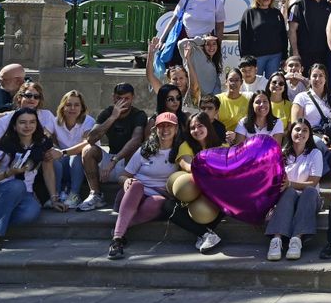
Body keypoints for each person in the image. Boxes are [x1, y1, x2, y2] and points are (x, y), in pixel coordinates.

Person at [108, 112, 219, 258]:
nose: (165, 129)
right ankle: (117, 239)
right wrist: (126, 181)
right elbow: (123, 175)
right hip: (132, 194)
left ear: (176, 129)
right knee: (136, 186)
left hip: (156, 198)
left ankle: (121, 226)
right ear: (155, 129)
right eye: (161, 126)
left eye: (169, 126)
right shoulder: (144, 150)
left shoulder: (180, 150)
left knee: (159, 202)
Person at [0, 108, 65, 251]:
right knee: (17, 185)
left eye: (32, 122)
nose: (27, 126)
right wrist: (8, 173)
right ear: (14, 126)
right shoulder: (5, 144)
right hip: (0, 192)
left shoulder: (42, 143)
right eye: (22, 122)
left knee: (30, 213)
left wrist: (54, 198)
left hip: (26, 194)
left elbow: (48, 171)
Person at [78, 83, 147, 211]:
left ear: (133, 98)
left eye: (126, 98)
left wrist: (114, 161)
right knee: (88, 150)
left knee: (136, 150)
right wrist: (113, 117)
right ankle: (95, 194)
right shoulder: (107, 113)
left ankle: (128, 194)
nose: (123, 102)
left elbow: (136, 140)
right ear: (113, 97)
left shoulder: (139, 115)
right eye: (119, 98)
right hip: (109, 161)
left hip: (127, 163)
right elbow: (91, 139)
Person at [265, 119, 323, 261]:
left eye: (305, 130)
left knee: (309, 191)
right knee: (289, 192)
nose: (300, 133)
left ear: (309, 134)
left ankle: (296, 240)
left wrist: (290, 184)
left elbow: (313, 182)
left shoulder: (315, 153)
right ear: (290, 132)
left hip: (309, 199)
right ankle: (276, 240)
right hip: (287, 198)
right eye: (297, 129)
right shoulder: (282, 154)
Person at [52, 90, 94, 207]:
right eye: (68, 104)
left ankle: (74, 195)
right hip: (63, 161)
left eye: (76, 105)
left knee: (76, 157)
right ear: (63, 107)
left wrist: (63, 152)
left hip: (81, 164)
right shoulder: (55, 121)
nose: (72, 108)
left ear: (82, 107)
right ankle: (56, 195)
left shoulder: (88, 121)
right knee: (52, 158)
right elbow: (49, 139)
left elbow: (86, 143)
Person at [240, 0, 288, 79]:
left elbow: (283, 35)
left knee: (272, 83)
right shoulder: (249, 13)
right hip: (256, 57)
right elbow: (243, 37)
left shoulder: (277, 13)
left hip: (275, 55)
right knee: (255, 82)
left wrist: (284, 56)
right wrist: (245, 58)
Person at [0, 81, 57, 149]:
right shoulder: (6, 118)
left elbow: (49, 138)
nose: (32, 99)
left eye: (36, 97)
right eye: (28, 95)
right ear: (19, 97)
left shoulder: (47, 115)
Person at [291, 64, 331, 151]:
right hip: (308, 138)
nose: (317, 79)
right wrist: (318, 136)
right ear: (309, 79)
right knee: (319, 143)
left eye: (321, 76)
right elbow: (296, 125)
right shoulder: (301, 97)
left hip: (329, 140)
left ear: (325, 79)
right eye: (314, 76)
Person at [289, 0, 331, 72]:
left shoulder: (330, 3)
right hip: (304, 53)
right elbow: (292, 30)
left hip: (325, 53)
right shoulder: (299, 4)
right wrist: (295, 52)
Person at [180, 35, 224, 100]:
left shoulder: (214, 63)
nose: (211, 47)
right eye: (208, 44)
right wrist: (202, 41)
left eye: (214, 44)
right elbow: (181, 44)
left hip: (207, 101)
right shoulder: (195, 54)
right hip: (193, 97)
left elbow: (216, 87)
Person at [216, 69, 251, 137]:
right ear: (226, 82)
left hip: (241, 137)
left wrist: (236, 135)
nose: (233, 83)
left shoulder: (248, 100)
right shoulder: (217, 99)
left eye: (237, 80)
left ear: (241, 82)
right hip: (221, 137)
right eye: (231, 80)